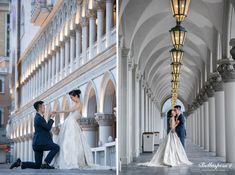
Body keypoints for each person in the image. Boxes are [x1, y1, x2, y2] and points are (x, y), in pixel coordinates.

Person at [10, 101, 60, 169]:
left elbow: (44, 126)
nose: (45, 107)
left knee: (37, 165)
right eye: (43, 106)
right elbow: (48, 128)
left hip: (37, 144)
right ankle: (46, 163)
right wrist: (51, 118)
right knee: (56, 147)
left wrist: (49, 117)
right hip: (40, 143)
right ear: (39, 108)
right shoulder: (38, 118)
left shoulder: (39, 117)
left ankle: (20, 163)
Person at [52, 89, 93, 169]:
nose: (71, 99)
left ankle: (73, 161)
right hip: (71, 123)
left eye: (72, 97)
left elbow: (69, 110)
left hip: (72, 124)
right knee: (68, 142)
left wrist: (57, 111)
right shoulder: (76, 104)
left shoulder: (79, 104)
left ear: (76, 96)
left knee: (73, 142)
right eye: (70, 98)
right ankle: (67, 159)